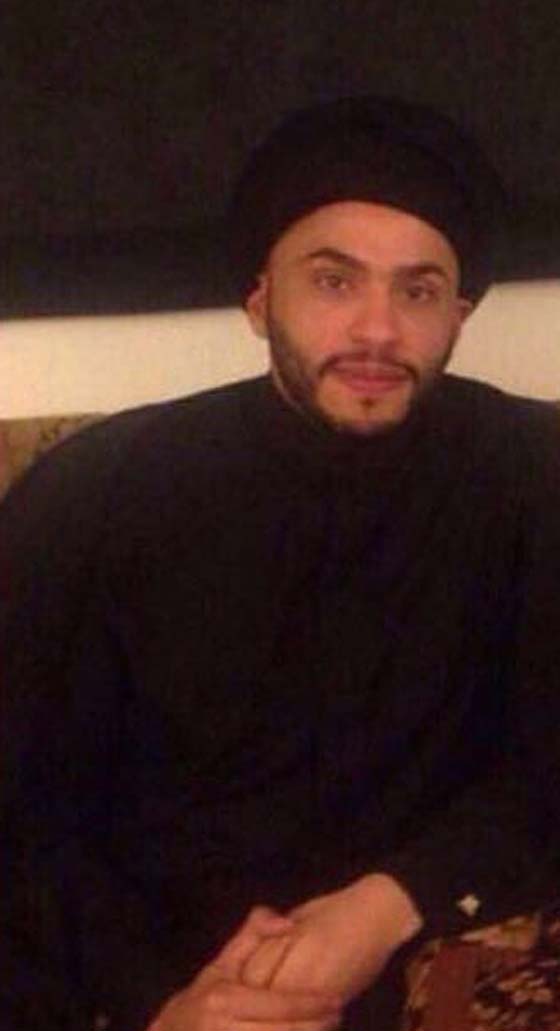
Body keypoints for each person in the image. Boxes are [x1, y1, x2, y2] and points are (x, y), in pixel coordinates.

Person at [1, 95, 560, 1031]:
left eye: (418, 291)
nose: (378, 330)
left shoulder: (534, 478)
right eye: (335, 282)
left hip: (421, 943)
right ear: (260, 301)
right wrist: (161, 1006)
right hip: (132, 967)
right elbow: (28, 806)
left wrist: (390, 902)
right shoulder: (97, 493)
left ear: (459, 314)